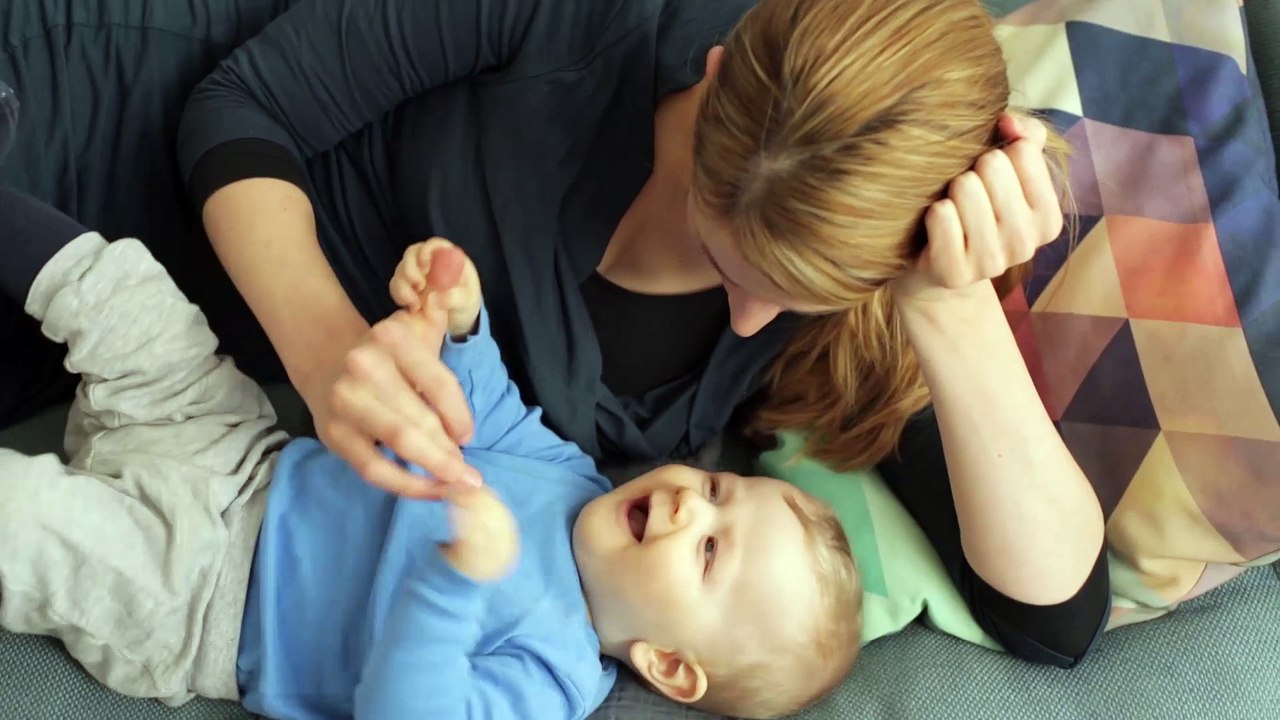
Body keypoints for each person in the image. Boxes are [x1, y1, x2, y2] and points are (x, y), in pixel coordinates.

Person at [0, 0, 1108, 694]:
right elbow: (244, 102)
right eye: (730, 265)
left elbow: (1052, 615)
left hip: (182, 420)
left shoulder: (874, 271)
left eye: (801, 293)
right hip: (106, 130)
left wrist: (946, 309)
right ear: (716, 73)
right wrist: (332, 349)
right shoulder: (592, 25)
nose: (753, 326)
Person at [0, 207, 861, 719]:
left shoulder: (552, 672)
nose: (688, 505)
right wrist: (459, 322)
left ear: (669, 665)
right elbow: (484, 407)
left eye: (710, 550)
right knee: (119, 286)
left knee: (26, 522)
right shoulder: (576, 478)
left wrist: (455, 582)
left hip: (191, 598)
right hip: (237, 448)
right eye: (716, 489)